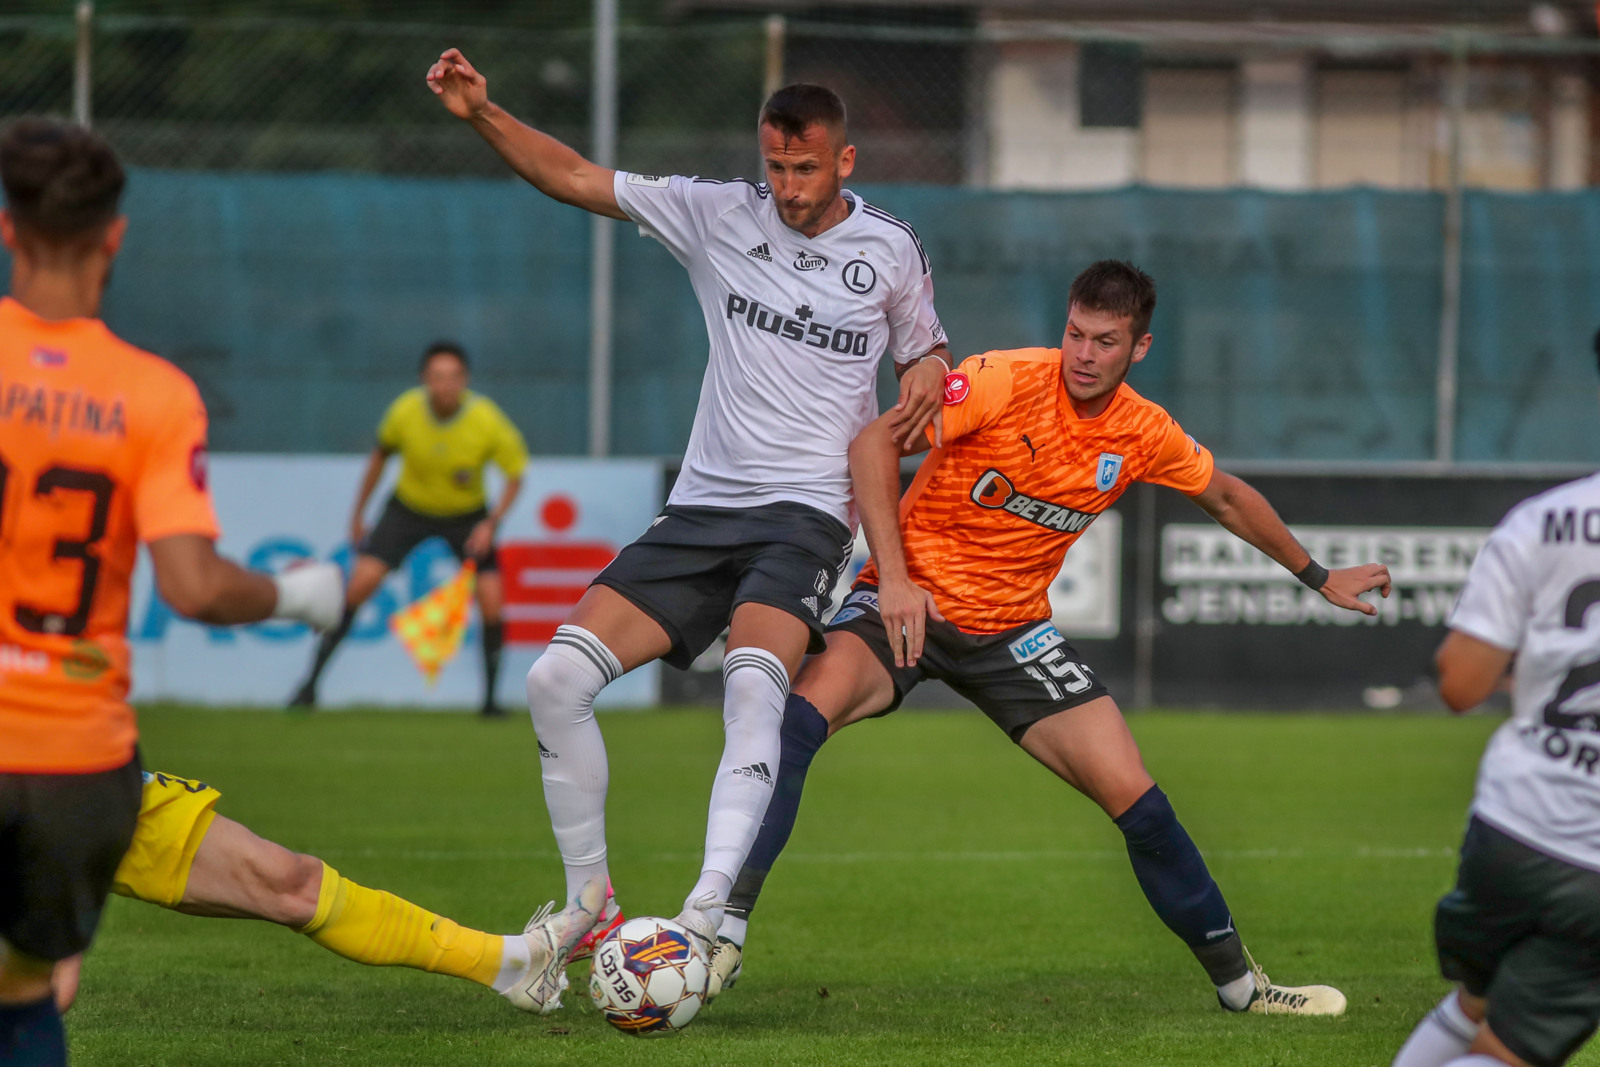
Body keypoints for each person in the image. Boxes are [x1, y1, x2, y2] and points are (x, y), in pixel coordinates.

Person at [708, 260, 1393, 1016]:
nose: (1084, 354)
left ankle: (1241, 986)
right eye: (1075, 333)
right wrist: (895, 579)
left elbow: (1226, 497)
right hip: (907, 610)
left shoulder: (1143, 429)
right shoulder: (1002, 380)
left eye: (1105, 341)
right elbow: (874, 445)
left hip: (1014, 635)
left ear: (1140, 347)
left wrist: (1317, 575)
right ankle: (720, 930)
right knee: (794, 721)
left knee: (1141, 802)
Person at [425, 54, 953, 1012]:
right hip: (702, 507)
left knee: (754, 685)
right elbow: (575, 176)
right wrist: (483, 114)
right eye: (776, 167)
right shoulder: (717, 213)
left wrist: (929, 366)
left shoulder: (892, 247)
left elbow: (924, 350)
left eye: (807, 169)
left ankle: (703, 922)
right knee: (554, 681)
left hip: (806, 514)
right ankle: (592, 902)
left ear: (845, 161)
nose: (788, 187)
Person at [0, 118, 343, 1067]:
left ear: (7, 228)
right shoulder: (152, 394)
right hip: (74, 765)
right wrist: (294, 595)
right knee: (29, 996)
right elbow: (192, 586)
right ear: (114, 236)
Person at [1390, 339, 1600, 1067]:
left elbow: (1460, 685)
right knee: (1512, 1050)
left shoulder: (1544, 521)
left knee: (1475, 1003)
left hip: (1511, 828)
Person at [49, 770, 621, 1014]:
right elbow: (198, 585)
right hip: (27, 779)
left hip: (88, 768)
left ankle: (515, 965)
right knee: (43, 992)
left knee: (289, 881)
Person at [289, 341, 527, 717]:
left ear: (465, 380)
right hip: (408, 510)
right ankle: (308, 687)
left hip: (467, 516)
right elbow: (379, 459)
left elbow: (515, 475)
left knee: (493, 602)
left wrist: (491, 523)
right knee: (358, 587)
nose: (446, 385)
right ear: (424, 380)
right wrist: (357, 514)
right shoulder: (405, 411)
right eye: (437, 376)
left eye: (453, 377)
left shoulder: (486, 419)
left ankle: (491, 703)